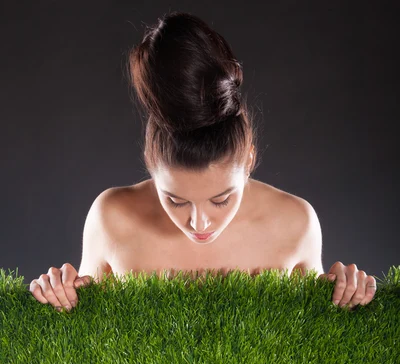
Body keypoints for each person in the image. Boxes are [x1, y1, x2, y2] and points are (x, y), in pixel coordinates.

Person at [29, 11, 376, 313]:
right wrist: (60, 297)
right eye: (175, 200)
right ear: (151, 167)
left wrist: (347, 294)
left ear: (250, 157)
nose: (199, 222)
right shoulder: (112, 217)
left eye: (222, 199)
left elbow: (314, 347)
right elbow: (87, 343)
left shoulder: (295, 223)